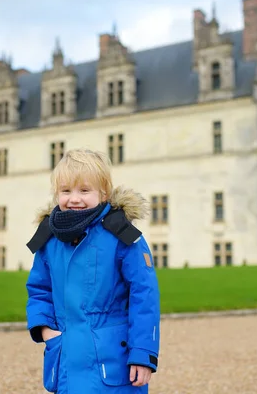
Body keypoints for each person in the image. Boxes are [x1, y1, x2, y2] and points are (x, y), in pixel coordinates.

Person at [25, 148, 161, 393]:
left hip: (112, 363)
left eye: (84, 190)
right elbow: (39, 290)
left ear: (104, 192)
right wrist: (46, 331)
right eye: (66, 191)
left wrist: (143, 353)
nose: (74, 198)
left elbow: (144, 295)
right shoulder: (49, 238)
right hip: (65, 360)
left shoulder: (121, 235)